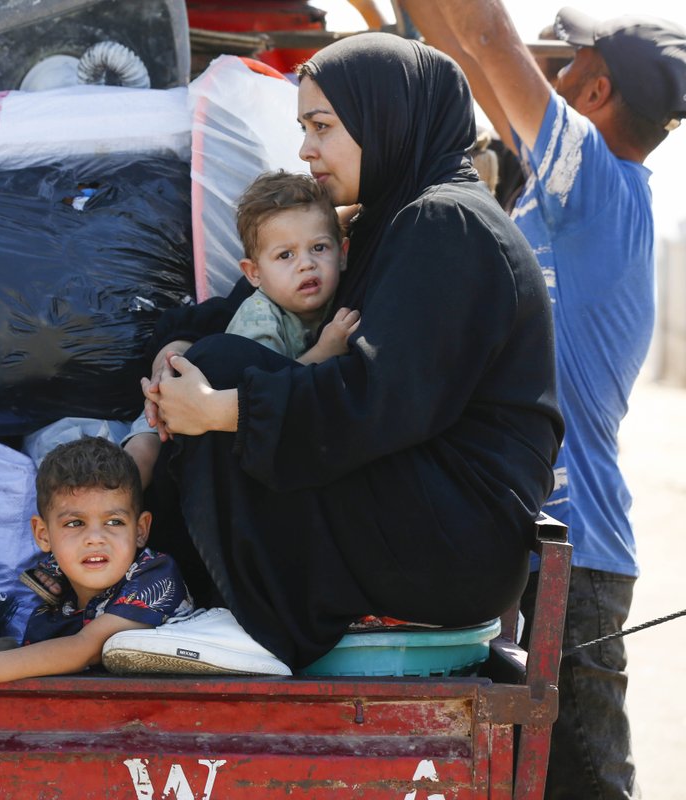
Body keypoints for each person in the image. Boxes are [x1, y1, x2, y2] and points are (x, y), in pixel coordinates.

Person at [124, 32, 562, 676]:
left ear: (386, 118)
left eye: (322, 126)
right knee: (211, 357)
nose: (306, 149)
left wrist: (220, 409)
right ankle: (181, 601)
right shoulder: (391, 220)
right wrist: (176, 349)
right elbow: (265, 301)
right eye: (304, 129)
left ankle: (261, 625)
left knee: (224, 371)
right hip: (424, 517)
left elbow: (378, 399)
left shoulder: (447, 224)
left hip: (451, 541)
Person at [401, 4, 686, 797]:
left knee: (588, 785)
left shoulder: (591, 179)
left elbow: (489, 38)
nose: (551, 76)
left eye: (570, 63)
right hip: (542, 550)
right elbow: (468, 60)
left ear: (596, 92)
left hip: (574, 559)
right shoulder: (583, 196)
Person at [0, 436, 195, 715]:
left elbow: (85, 648)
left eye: (114, 522)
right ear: (43, 535)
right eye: (75, 523)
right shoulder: (55, 585)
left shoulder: (155, 575)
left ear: (141, 529)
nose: (95, 538)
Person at [123, 170, 361, 488]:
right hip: (183, 402)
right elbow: (262, 394)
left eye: (319, 248)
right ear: (253, 273)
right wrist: (323, 352)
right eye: (286, 255)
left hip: (210, 410)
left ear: (342, 254)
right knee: (143, 453)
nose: (306, 264)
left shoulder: (328, 299)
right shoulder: (260, 319)